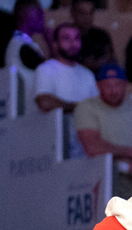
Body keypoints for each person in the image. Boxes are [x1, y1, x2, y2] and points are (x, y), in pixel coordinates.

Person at [74, 62, 132, 198]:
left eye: (117, 84)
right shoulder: (87, 107)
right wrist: (130, 153)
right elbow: (92, 147)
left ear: (125, 85)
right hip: (97, 181)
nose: (113, 90)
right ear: (98, 85)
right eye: (108, 85)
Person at [35, 23, 99, 159]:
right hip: (53, 147)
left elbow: (97, 109)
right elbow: (44, 102)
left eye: (76, 38)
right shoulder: (46, 69)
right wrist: (79, 107)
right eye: (66, 39)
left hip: (83, 146)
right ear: (56, 44)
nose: (73, 44)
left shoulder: (87, 74)